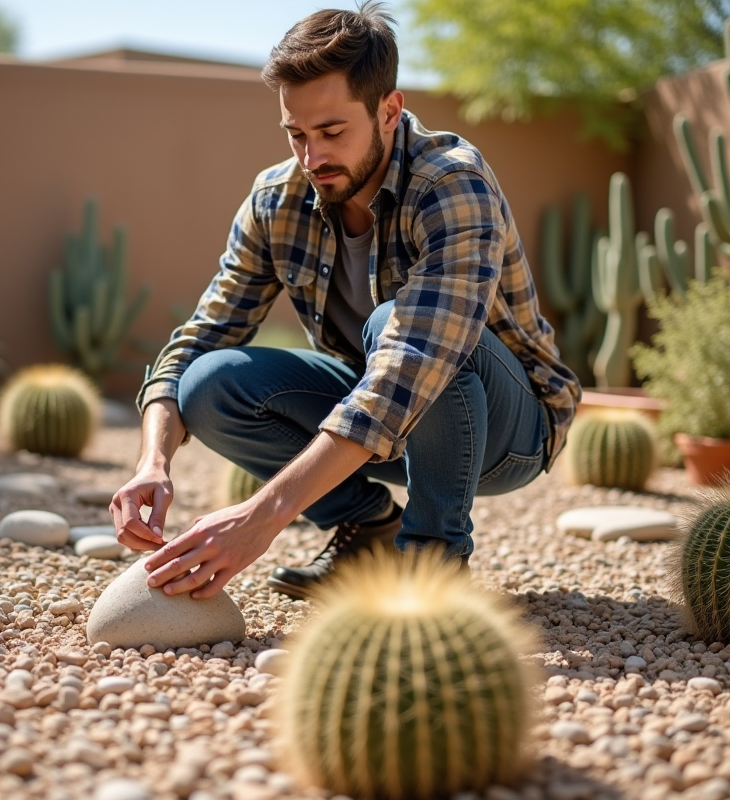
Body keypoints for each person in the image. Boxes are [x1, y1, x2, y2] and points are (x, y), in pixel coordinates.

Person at [109, 1, 580, 601]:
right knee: (209, 382)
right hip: (377, 416)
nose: (313, 158)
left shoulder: (451, 182)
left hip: (508, 431)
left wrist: (262, 518)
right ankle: (367, 529)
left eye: (332, 132)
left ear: (389, 111)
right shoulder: (275, 200)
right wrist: (155, 460)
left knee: (399, 325)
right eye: (296, 134)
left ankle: (432, 565)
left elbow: (414, 359)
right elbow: (200, 336)